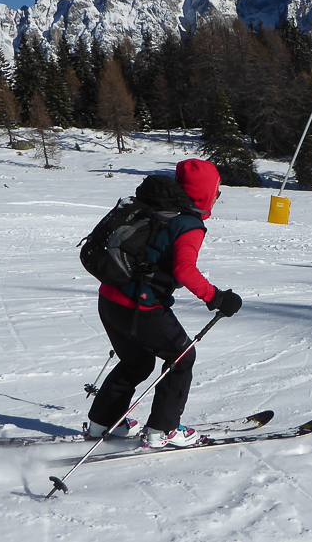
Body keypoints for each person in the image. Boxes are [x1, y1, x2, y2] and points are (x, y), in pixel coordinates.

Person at [85, 158, 243, 449]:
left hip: (110, 298)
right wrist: (218, 298)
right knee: (182, 358)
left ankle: (102, 423)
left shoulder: (153, 206)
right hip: (140, 308)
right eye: (217, 192)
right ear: (206, 193)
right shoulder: (188, 224)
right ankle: (163, 430)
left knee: (136, 362)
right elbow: (185, 270)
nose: (217, 197)